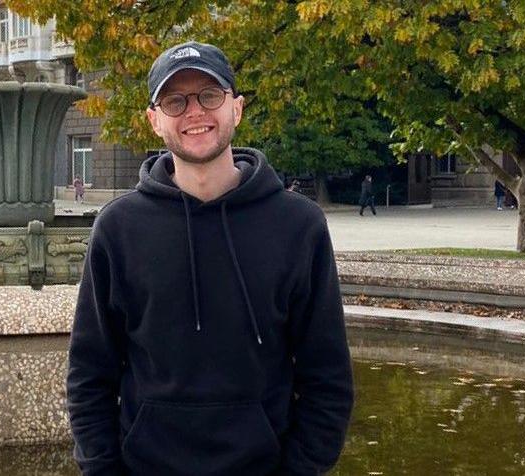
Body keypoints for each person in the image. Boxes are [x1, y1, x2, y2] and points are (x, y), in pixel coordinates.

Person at [67, 41, 353, 476]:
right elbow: (90, 376)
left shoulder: (298, 225)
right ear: (154, 120)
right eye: (175, 100)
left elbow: (327, 378)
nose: (195, 112)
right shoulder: (118, 229)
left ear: (236, 109)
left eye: (209, 95)